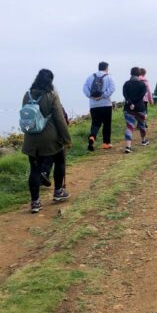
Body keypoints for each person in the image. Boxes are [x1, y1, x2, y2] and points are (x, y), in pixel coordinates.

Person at [21, 69, 72, 213]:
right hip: (50, 138)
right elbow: (60, 119)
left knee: (35, 169)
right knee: (60, 161)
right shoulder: (51, 96)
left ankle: (35, 202)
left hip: (31, 138)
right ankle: (58, 192)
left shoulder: (27, 95)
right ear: (50, 81)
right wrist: (67, 139)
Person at [83, 61, 116, 151]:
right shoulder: (109, 77)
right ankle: (106, 143)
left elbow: (84, 88)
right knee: (106, 123)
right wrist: (102, 96)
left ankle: (92, 137)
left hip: (93, 105)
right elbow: (112, 88)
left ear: (98, 67)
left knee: (95, 123)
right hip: (106, 104)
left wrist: (92, 96)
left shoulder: (90, 77)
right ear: (106, 68)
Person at [122, 67, 150, 153]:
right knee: (142, 125)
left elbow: (125, 95)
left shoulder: (126, 84)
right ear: (139, 74)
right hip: (140, 108)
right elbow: (141, 96)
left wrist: (130, 103)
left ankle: (128, 146)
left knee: (130, 126)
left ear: (131, 73)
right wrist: (135, 103)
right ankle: (144, 140)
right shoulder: (142, 85)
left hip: (128, 108)